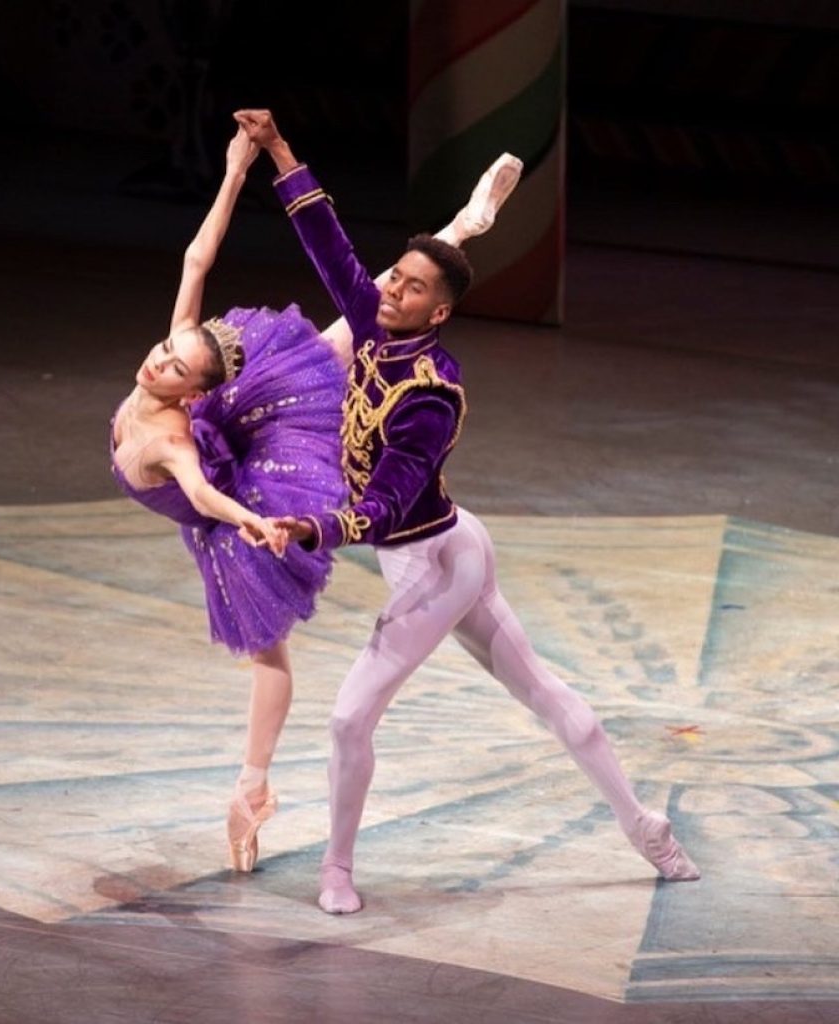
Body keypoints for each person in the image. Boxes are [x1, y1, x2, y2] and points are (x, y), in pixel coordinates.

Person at [234, 108, 701, 914]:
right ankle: (645, 825)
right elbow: (329, 245)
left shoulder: (431, 396)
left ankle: (336, 871)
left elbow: (383, 508)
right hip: (450, 547)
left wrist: (317, 527)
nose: (389, 288)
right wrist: (280, 151)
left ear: (438, 311)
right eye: (393, 277)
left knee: (349, 720)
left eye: (411, 286)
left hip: (437, 561)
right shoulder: (378, 326)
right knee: (545, 694)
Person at [110, 123, 519, 874]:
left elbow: (203, 492)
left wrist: (263, 523)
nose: (155, 359)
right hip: (234, 443)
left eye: (171, 361)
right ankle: (463, 226)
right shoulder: (173, 378)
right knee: (342, 340)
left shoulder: (173, 435)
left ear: (197, 391)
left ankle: (251, 789)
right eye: (165, 351)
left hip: (250, 484)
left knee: (348, 335)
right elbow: (196, 258)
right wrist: (235, 168)